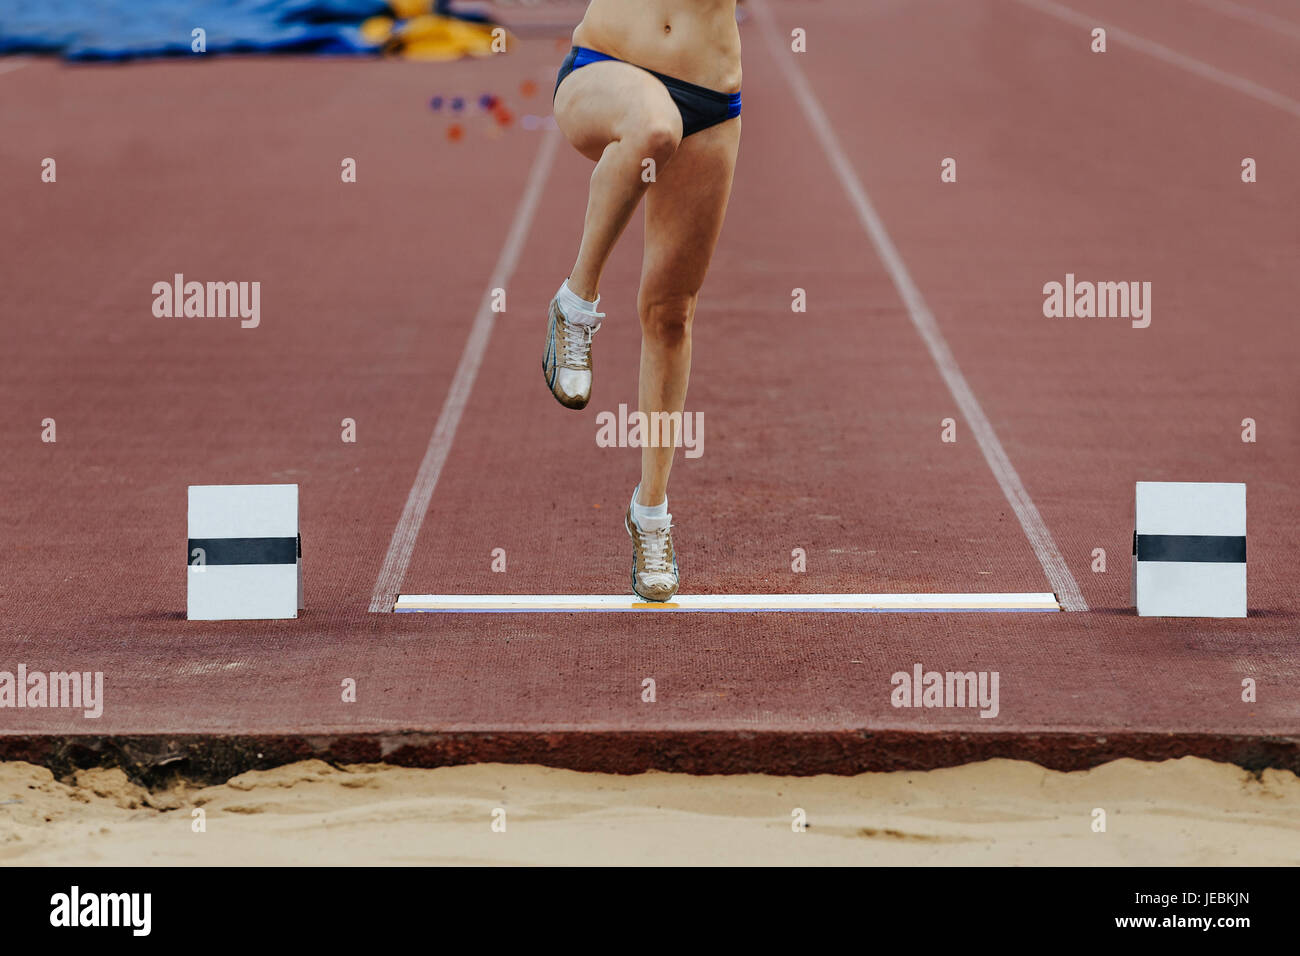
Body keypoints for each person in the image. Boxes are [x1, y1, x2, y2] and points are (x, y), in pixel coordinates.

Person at [542, 0, 742, 601]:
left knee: (671, 313)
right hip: (606, 68)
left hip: (710, 96)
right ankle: (575, 304)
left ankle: (649, 514)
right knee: (655, 127)